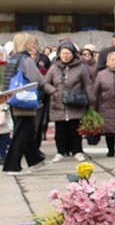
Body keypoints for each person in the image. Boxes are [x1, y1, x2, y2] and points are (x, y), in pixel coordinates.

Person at [2, 34, 47, 174]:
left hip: (13, 99)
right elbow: (36, 79)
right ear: (26, 44)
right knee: (22, 133)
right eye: (32, 42)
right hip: (25, 99)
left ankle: (36, 161)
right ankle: (13, 166)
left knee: (24, 131)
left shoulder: (13, 58)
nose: (34, 44)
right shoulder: (26, 60)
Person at [41, 41, 93, 162]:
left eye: (68, 53)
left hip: (76, 102)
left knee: (75, 129)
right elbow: (45, 83)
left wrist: (91, 101)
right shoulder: (54, 67)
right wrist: (54, 92)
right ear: (59, 54)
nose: (65, 56)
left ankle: (77, 151)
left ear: (73, 54)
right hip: (58, 103)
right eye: (63, 53)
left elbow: (88, 84)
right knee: (60, 129)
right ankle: (60, 151)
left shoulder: (81, 68)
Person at [92, 49, 115, 158]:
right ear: (107, 62)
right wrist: (93, 106)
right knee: (109, 130)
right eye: (112, 60)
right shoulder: (101, 75)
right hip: (106, 106)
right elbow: (95, 90)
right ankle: (111, 150)